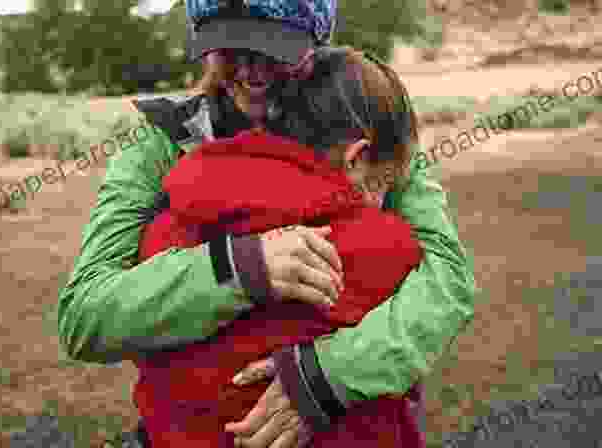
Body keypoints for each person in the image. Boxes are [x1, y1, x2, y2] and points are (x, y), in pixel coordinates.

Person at [57, 1, 476, 447]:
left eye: (272, 50)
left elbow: (447, 281)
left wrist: (325, 377)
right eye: (230, 48)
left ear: (318, 44)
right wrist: (235, 269)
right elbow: (86, 314)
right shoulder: (160, 147)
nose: (251, 71)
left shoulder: (361, 124)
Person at [134, 46, 423, 447]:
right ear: (356, 158)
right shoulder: (384, 248)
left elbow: (142, 345)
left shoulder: (171, 222)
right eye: (382, 183)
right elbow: (405, 364)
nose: (382, 200)